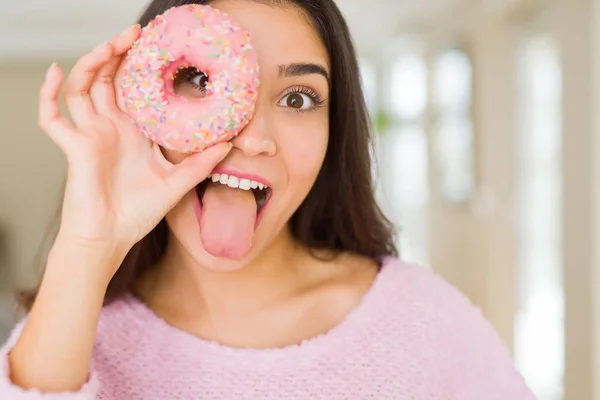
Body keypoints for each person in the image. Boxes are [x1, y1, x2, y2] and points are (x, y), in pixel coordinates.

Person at [0, 0, 536, 398]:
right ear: (140, 105)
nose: (253, 137)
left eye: (298, 97)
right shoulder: (70, 338)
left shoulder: (425, 324)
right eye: (198, 80)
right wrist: (88, 244)